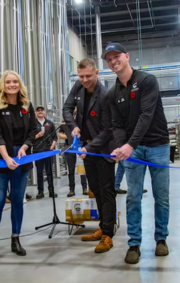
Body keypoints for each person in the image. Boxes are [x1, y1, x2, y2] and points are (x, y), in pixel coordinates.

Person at [103, 43, 171, 264]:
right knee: (133, 197)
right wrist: (121, 145)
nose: (114, 61)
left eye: (117, 56)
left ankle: (161, 239)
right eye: (109, 59)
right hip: (134, 150)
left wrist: (129, 145)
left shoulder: (147, 81)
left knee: (161, 196)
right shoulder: (113, 93)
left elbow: (146, 115)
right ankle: (134, 243)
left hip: (158, 146)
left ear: (127, 56)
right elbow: (117, 124)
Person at [63, 58, 117, 254]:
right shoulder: (78, 86)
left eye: (88, 76)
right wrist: (73, 126)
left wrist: (89, 147)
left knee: (106, 191)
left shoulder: (105, 95)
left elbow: (107, 130)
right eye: (81, 76)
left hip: (102, 150)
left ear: (97, 73)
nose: (84, 80)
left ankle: (108, 235)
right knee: (94, 189)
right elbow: (67, 109)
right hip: (87, 149)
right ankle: (102, 227)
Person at [0, 70, 38, 261]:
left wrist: (24, 147)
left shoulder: (27, 105)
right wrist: (7, 158)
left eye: (15, 81)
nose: (12, 84)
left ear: (20, 84)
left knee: (17, 200)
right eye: (8, 82)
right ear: (3, 85)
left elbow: (33, 130)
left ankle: (15, 239)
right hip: (0, 158)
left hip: (21, 158)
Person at [32, 106, 57, 199]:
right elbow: (29, 138)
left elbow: (55, 136)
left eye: (42, 110)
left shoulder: (50, 123)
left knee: (49, 171)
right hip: (38, 151)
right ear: (35, 112)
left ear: (45, 112)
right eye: (38, 110)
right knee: (39, 172)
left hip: (48, 151)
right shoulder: (33, 124)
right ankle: (40, 191)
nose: (40, 112)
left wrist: (52, 145)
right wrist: (38, 135)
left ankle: (51, 191)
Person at [58, 119, 88, 197]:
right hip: (69, 148)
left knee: (82, 169)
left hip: (80, 148)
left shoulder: (81, 122)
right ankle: (71, 189)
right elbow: (60, 135)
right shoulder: (65, 123)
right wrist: (69, 136)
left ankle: (84, 188)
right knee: (70, 170)